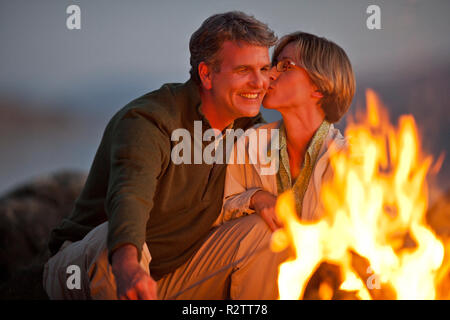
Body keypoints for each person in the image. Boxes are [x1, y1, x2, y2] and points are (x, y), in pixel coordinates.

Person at [43, 11, 284, 300]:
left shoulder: (249, 128)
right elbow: (130, 195)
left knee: (265, 230)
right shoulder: (148, 121)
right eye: (244, 70)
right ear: (206, 74)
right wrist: (129, 265)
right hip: (98, 269)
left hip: (173, 277)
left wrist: (256, 196)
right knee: (111, 242)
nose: (259, 83)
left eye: (264, 69)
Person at [221, 31, 356, 232]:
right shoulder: (249, 142)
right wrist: (255, 198)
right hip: (245, 261)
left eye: (285, 66)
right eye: (274, 65)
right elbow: (219, 212)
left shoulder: (350, 161)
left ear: (319, 87)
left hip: (322, 262)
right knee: (263, 225)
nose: (270, 74)